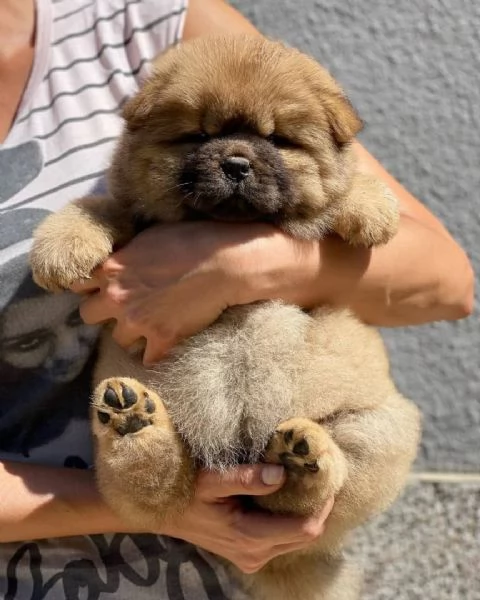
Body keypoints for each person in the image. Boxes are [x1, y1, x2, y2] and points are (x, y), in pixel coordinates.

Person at [0, 0, 474, 598]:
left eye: (277, 140)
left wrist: (236, 265)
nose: (236, 160)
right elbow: (98, 219)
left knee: (383, 433)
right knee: (135, 439)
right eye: (197, 137)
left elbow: (445, 278)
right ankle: (155, 467)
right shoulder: (125, 195)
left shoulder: (137, 20)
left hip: (307, 435)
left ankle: (304, 481)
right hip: (59, 552)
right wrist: (83, 230)